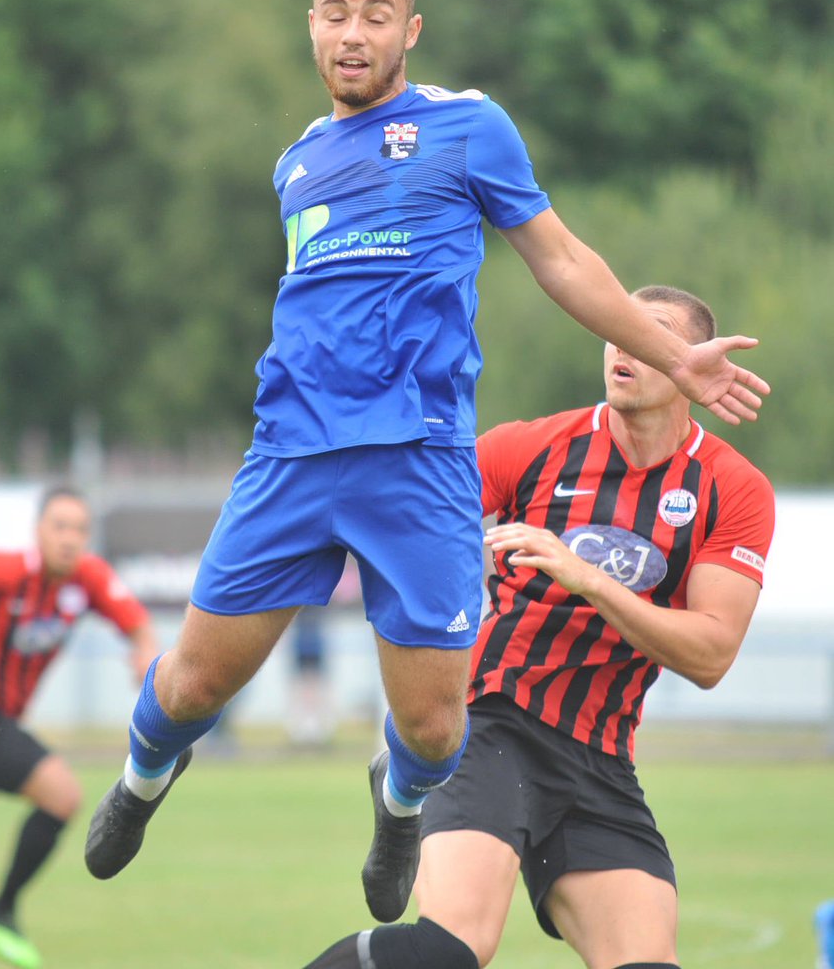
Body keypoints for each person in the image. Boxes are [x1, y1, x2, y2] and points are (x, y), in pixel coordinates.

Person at [82, 0, 769, 929]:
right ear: (310, 27)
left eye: (373, 14)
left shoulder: (467, 128)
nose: (351, 32)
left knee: (434, 727)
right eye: (332, 12)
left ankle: (397, 805)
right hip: (292, 456)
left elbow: (563, 260)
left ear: (410, 32)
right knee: (192, 682)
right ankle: (142, 780)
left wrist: (672, 350)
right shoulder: (297, 158)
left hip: (418, 464)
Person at [301, 284, 775, 969]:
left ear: (691, 362)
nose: (623, 343)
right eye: (616, 327)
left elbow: (710, 655)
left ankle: (398, 779)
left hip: (599, 759)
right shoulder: (532, 446)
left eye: (652, 333)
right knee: (445, 952)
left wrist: (587, 578)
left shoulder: (730, 488)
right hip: (493, 722)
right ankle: (409, 772)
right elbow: (409, 517)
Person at [0, 485, 157, 969]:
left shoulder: (88, 580)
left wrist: (143, 654)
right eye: (59, 526)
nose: (69, 538)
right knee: (62, 795)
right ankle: (1, 910)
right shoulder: (2, 569)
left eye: (79, 529)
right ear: (37, 531)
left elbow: (137, 623)